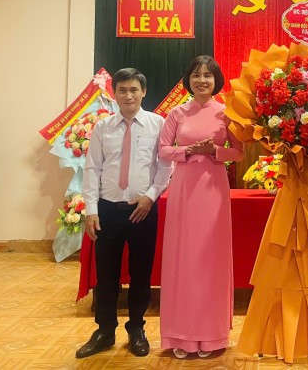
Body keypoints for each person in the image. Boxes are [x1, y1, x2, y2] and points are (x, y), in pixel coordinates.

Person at [77, 68, 173, 358]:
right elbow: (92, 168)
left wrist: (150, 197)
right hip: (107, 210)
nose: (128, 95)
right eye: (122, 90)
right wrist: (91, 210)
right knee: (106, 275)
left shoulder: (158, 124)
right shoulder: (102, 127)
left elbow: (166, 166)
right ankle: (105, 331)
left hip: (143, 210)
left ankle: (136, 329)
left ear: (144, 92)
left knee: (141, 273)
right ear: (115, 93)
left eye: (133, 89)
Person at [158, 55, 244, 359]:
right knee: (182, 259)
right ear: (188, 79)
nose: (202, 80)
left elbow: (239, 152)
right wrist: (186, 151)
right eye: (196, 74)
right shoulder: (176, 113)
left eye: (208, 75)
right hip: (183, 189)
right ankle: (179, 335)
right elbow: (163, 150)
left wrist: (215, 151)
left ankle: (211, 336)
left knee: (210, 260)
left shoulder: (226, 113)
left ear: (216, 80)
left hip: (213, 191)